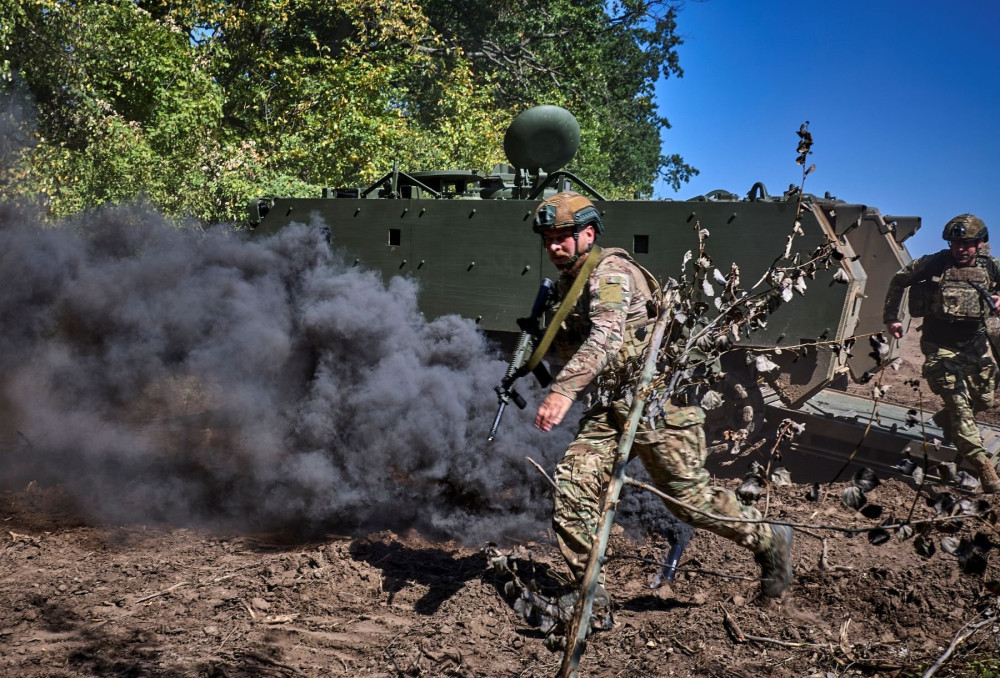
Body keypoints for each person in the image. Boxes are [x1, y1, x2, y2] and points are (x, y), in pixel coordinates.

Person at [530, 190, 794, 599]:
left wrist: (563, 391)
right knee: (572, 485)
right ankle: (590, 599)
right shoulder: (570, 283)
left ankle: (767, 538)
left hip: (656, 405)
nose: (553, 245)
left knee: (688, 501)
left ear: (588, 233)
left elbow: (608, 335)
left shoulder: (610, 273)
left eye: (563, 235)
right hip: (611, 410)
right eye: (547, 237)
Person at [884, 213, 1000, 493]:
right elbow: (899, 280)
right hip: (938, 344)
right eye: (954, 243)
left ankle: (946, 418)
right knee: (960, 404)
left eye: (966, 244)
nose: (960, 249)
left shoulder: (992, 267)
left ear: (980, 243)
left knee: (984, 399)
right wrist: (892, 317)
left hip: (975, 342)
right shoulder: (933, 263)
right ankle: (982, 465)